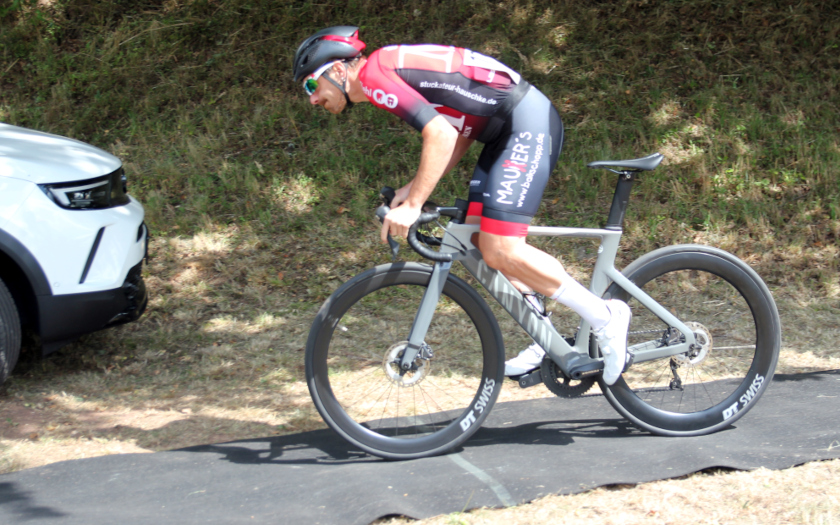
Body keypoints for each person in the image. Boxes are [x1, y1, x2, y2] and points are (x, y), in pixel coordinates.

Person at [292, 26, 631, 384]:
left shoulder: (376, 77)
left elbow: (440, 134)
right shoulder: (385, 68)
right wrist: (412, 191)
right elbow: (457, 129)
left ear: (340, 70)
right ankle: (547, 338)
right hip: (501, 130)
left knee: (501, 249)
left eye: (311, 86)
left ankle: (605, 317)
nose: (312, 99)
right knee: (477, 243)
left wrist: (413, 205)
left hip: (523, 124)